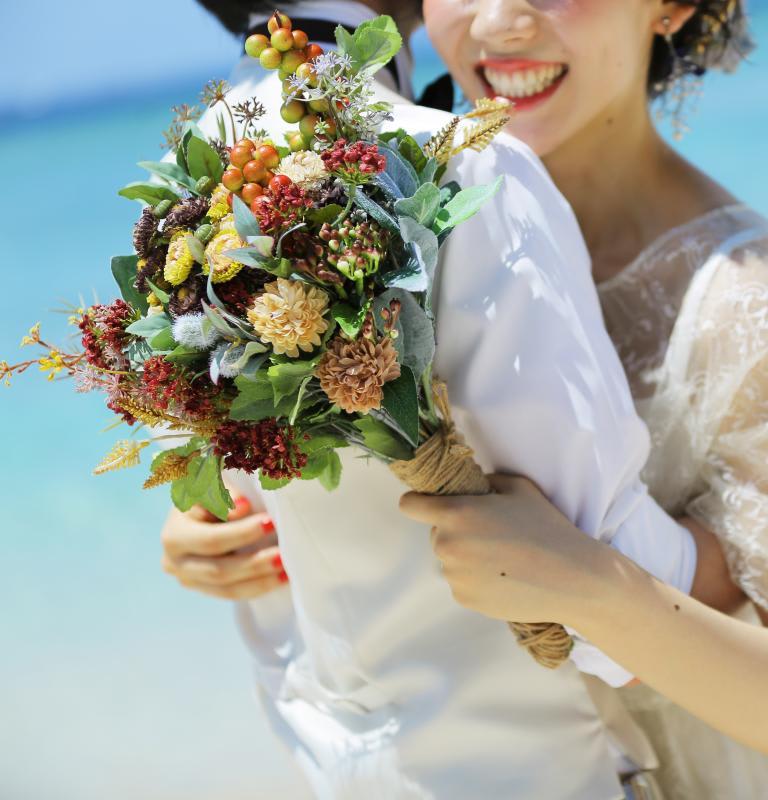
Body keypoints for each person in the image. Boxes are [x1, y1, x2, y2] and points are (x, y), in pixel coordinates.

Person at [159, 1, 731, 797]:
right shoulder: (463, 165)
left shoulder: (180, 195)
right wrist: (747, 554)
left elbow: (241, 516)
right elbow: (607, 603)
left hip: (333, 767)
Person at [402, 0, 768, 796]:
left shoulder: (752, 304)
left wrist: (585, 582)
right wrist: (243, 524)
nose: (500, 22)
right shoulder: (402, 226)